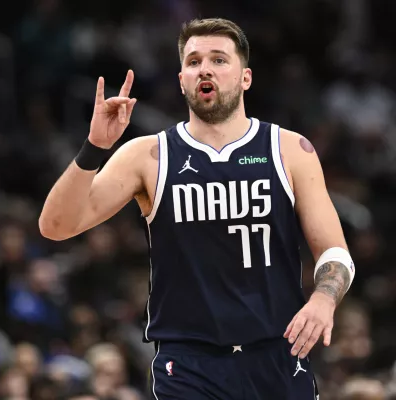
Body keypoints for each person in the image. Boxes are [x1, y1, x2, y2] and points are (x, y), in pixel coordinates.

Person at [39, 18, 355, 400]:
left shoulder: (289, 150)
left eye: (219, 60)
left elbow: (335, 251)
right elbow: (55, 226)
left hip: (278, 353)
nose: (204, 68)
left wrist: (323, 298)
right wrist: (93, 147)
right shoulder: (148, 155)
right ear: (182, 79)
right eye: (193, 61)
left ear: (245, 78)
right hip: (187, 363)